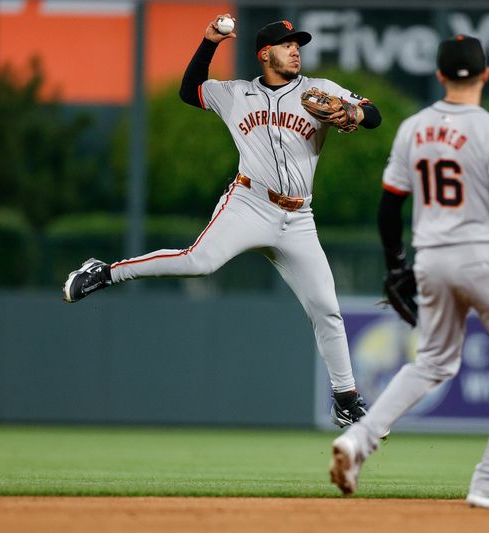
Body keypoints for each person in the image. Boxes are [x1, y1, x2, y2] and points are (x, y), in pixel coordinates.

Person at [62, 15, 384, 430]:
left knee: (327, 307)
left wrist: (354, 113)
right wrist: (209, 42)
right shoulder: (235, 93)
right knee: (198, 262)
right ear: (264, 53)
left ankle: (346, 399)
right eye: (286, 44)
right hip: (249, 204)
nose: (295, 50)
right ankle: (104, 273)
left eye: (298, 44)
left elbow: (373, 114)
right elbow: (188, 90)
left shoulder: (319, 91)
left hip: (299, 216)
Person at [329, 35, 489, 510]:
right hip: (485, 256)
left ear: (440, 76)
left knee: (431, 363)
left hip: (431, 258)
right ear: (486, 75)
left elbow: (390, 205)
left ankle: (358, 442)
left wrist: (395, 265)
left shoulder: (413, 128)